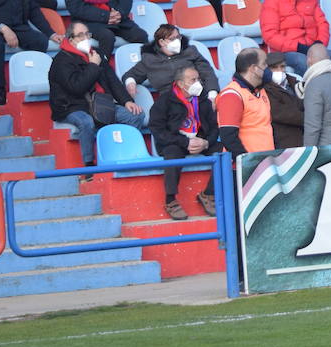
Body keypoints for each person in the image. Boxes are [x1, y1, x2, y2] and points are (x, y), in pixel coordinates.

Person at [49, 22, 146, 170]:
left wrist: (127, 101)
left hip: (100, 103)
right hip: (71, 106)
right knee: (86, 122)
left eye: (87, 34)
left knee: (135, 115)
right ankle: (89, 165)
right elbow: (77, 88)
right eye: (80, 35)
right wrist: (93, 66)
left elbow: (112, 80)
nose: (85, 38)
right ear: (70, 39)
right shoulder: (61, 61)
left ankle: (126, 154)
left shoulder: (96, 54)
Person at [148, 63, 220, 220]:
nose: (197, 83)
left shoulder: (203, 100)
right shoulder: (165, 101)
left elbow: (215, 126)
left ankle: (208, 194)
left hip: (200, 140)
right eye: (192, 80)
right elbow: (157, 129)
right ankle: (171, 200)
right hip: (176, 142)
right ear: (180, 83)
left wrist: (206, 142)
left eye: (198, 79)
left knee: (223, 151)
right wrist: (185, 142)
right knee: (172, 154)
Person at [122, 24, 219, 98]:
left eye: (178, 37)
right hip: (170, 101)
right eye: (172, 39)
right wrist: (130, 82)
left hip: (197, 95)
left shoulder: (190, 51)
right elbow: (130, 75)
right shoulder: (150, 59)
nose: (177, 41)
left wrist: (212, 93)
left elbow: (207, 73)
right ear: (162, 42)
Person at [215, 48, 275, 156]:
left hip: (264, 163)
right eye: (265, 64)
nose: (268, 68)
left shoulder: (261, 91)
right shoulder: (232, 95)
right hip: (244, 167)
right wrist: (247, 163)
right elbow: (228, 137)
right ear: (253, 68)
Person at [261, 52, 305, 150]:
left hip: (303, 139)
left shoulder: (296, 84)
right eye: (274, 67)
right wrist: (310, 119)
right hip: (282, 142)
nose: (279, 70)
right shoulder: (263, 88)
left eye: (282, 67)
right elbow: (279, 112)